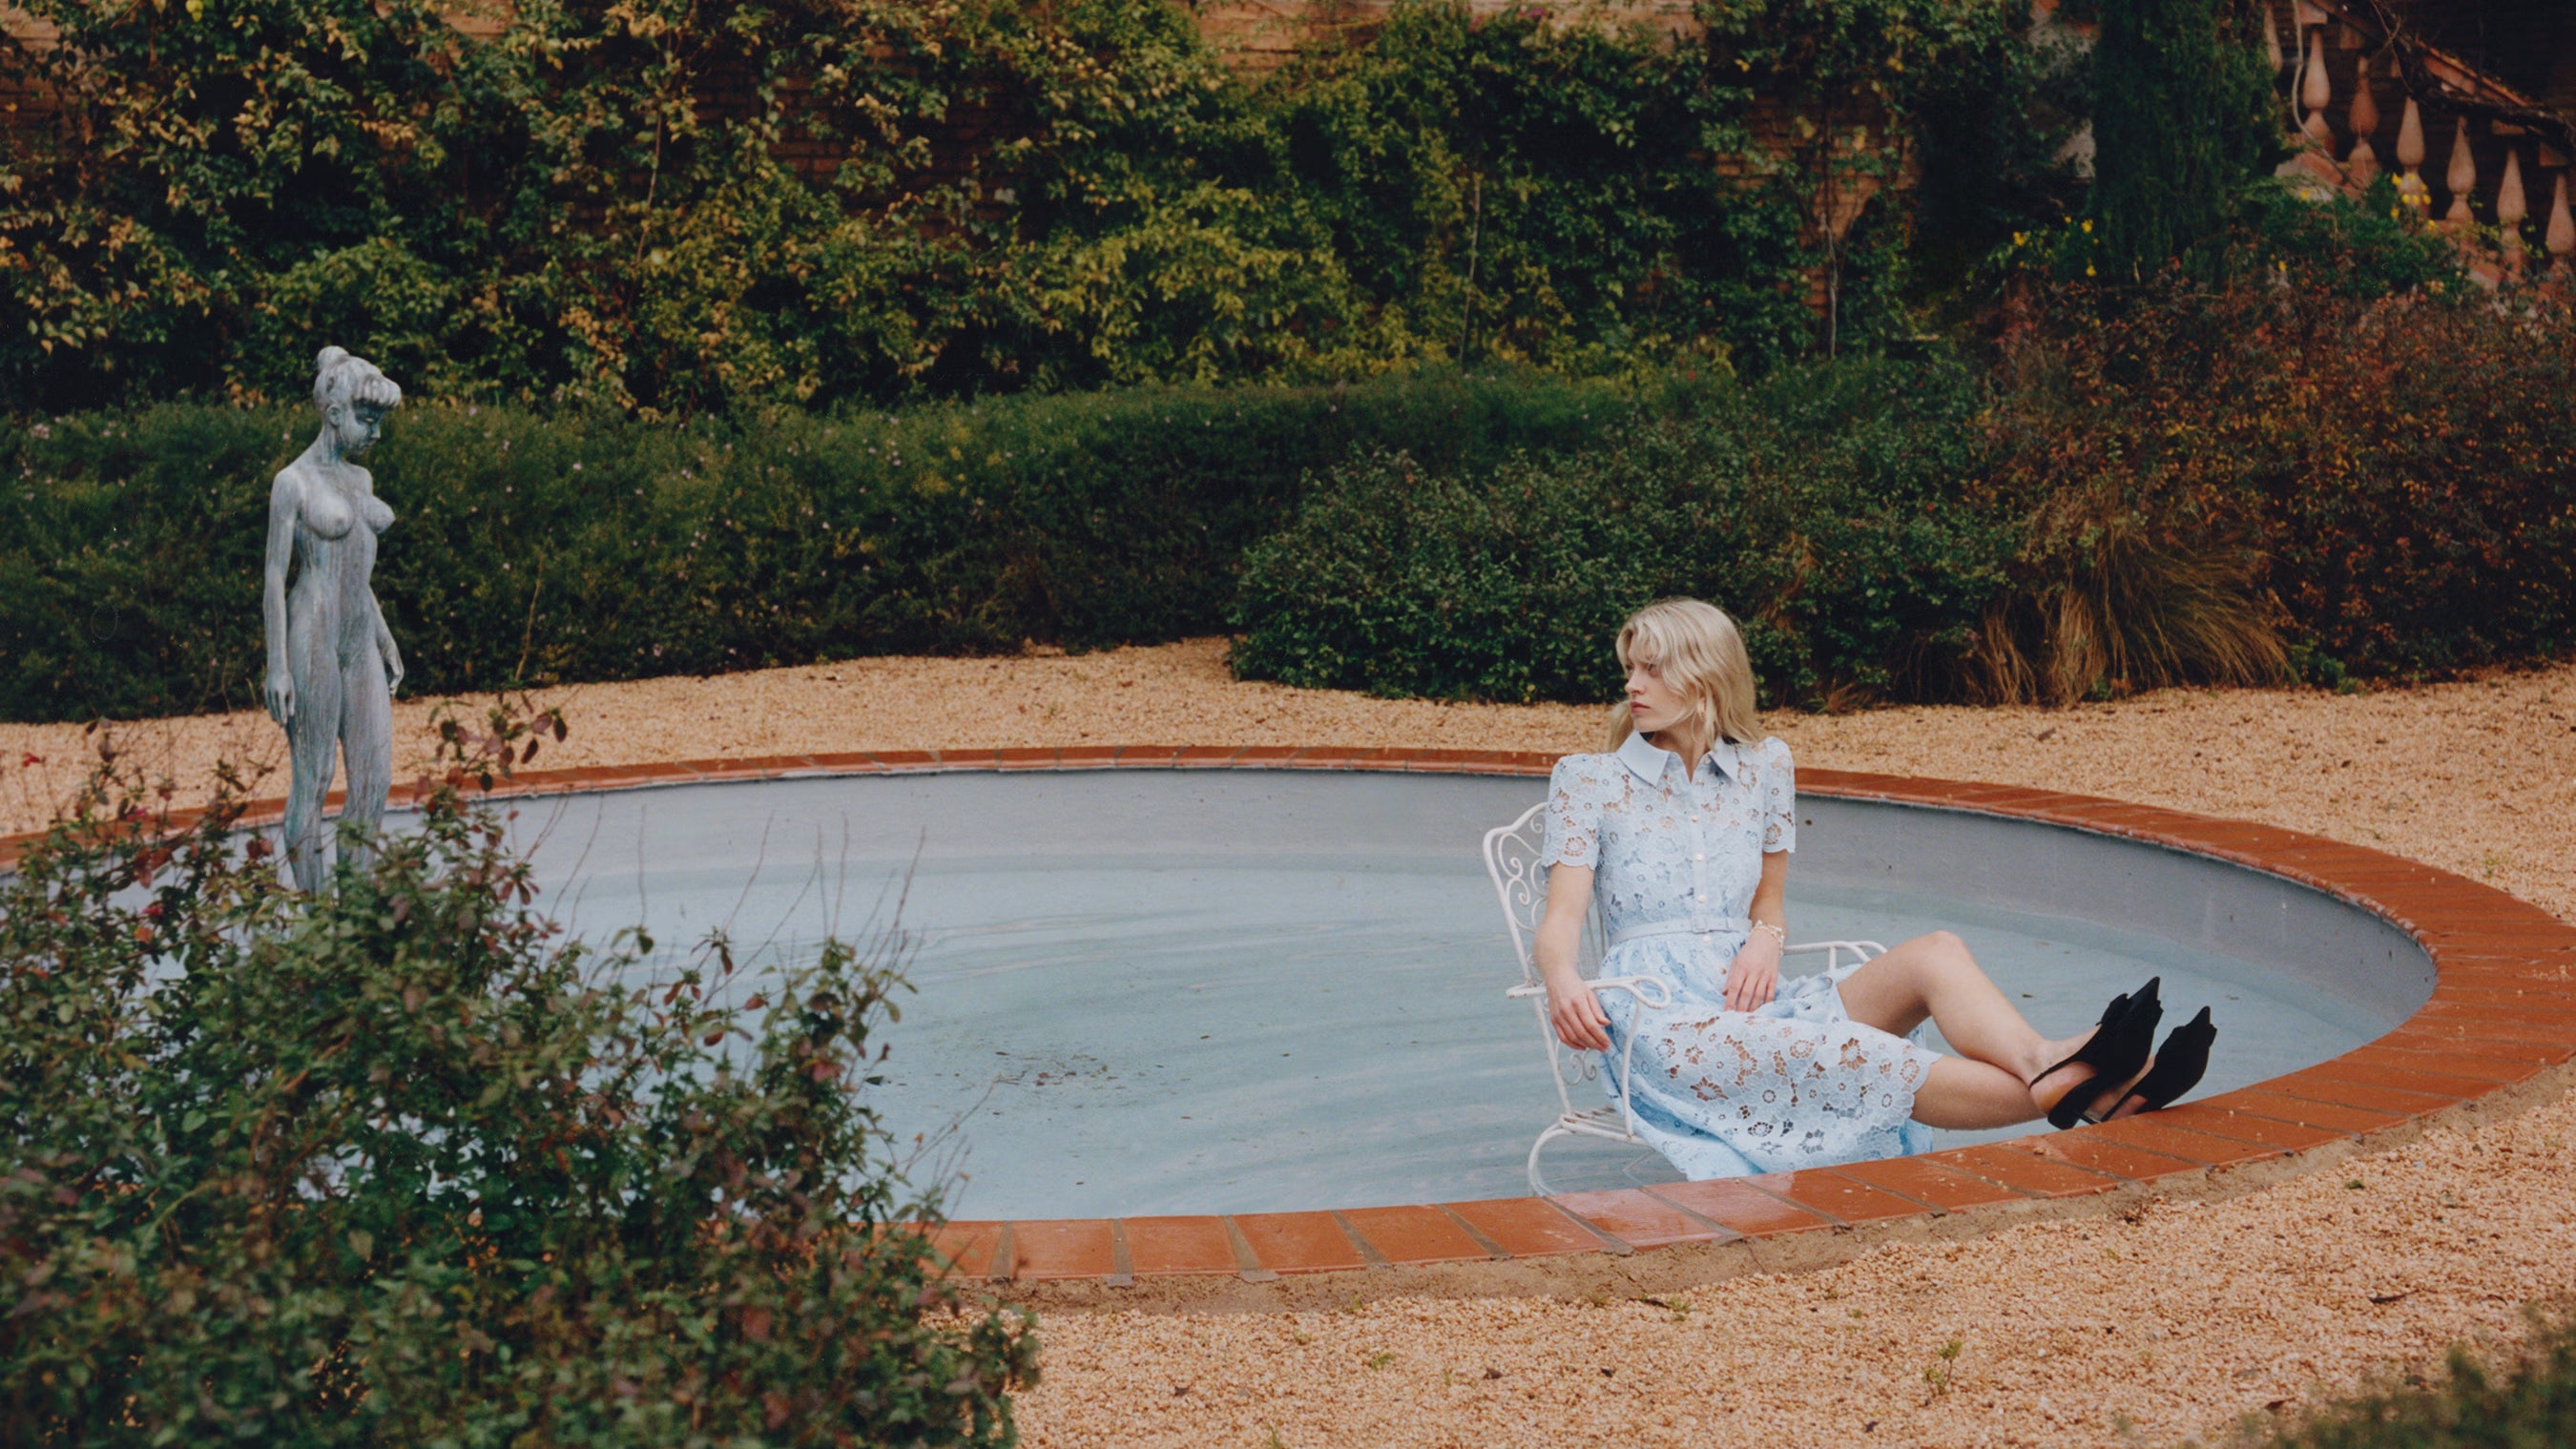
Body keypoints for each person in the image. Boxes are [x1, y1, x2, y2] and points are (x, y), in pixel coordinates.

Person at [1535, 598, 2214, 1179]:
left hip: (1756, 997)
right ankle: (2088, 1084)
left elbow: (1768, 905)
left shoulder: (1764, 767)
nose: (1633, 683)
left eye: (1652, 667)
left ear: (1705, 675)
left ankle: (2050, 1063)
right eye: (1631, 667)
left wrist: (1766, 943)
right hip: (1663, 1021)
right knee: (1868, 1052)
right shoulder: (1589, 778)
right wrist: (1563, 978)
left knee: (1936, 952)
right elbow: (1562, 917)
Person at [262, 346, 405, 892]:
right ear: (334, 413)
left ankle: (357, 918)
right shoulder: (292, 482)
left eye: (379, 422)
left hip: (358, 636)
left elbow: (357, 573)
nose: (374, 433)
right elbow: (276, 574)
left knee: (374, 781)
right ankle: (318, 919)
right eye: (367, 420)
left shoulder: (360, 480)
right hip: (313, 632)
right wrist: (278, 664)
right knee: (315, 778)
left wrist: (384, 635)